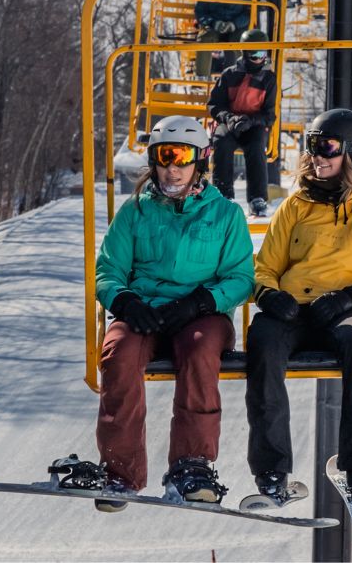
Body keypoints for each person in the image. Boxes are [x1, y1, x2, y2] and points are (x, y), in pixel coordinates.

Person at [244, 108, 352, 506]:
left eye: (327, 147)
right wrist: (268, 295)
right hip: (294, 309)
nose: (317, 156)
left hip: (347, 309)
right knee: (263, 341)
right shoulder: (296, 205)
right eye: (313, 147)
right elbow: (264, 266)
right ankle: (271, 473)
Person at [92, 115, 255, 512]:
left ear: (201, 160)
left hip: (201, 314)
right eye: (165, 156)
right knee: (119, 354)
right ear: (153, 160)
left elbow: (241, 278)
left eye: (183, 156)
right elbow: (108, 270)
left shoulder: (225, 215)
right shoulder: (136, 213)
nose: (173, 167)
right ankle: (120, 470)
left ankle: (191, 466)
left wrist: (201, 302)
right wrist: (126, 302)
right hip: (144, 310)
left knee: (200, 354)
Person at [207, 28, 277, 218]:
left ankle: (257, 198)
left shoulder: (268, 79)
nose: (259, 58)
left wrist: (251, 120)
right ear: (245, 53)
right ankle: (223, 195)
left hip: (253, 124)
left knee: (256, 146)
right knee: (221, 141)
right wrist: (229, 118)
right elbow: (214, 104)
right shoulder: (230, 75)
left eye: (262, 53)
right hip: (230, 122)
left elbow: (269, 114)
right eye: (254, 53)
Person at [193, 0, 252, 78]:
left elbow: (248, 14)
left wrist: (234, 24)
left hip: (235, 28)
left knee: (241, 40)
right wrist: (214, 23)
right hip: (214, 27)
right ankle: (201, 76)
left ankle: (246, 74)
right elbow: (200, 11)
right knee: (205, 38)